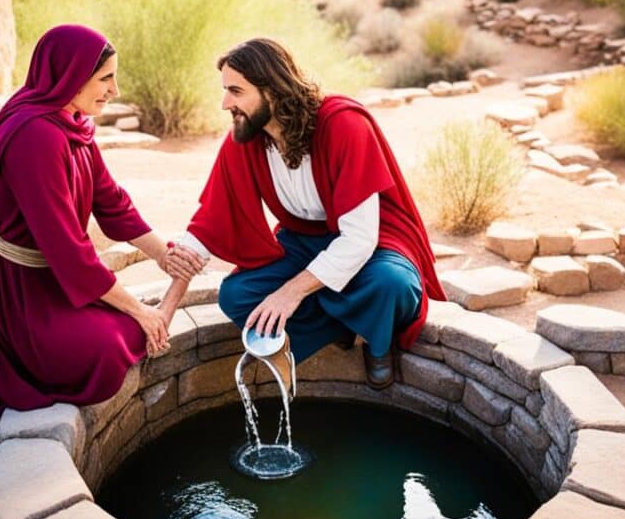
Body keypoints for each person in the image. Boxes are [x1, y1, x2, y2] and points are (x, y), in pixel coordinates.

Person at [0, 24, 205, 430]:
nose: (115, 90)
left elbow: (111, 202)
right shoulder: (36, 137)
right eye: (105, 78)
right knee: (109, 352)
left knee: (129, 332)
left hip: (53, 278)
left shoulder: (73, 122)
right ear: (68, 77)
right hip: (16, 287)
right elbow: (69, 252)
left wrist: (164, 254)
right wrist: (144, 312)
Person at [179, 38, 444, 388]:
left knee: (391, 286)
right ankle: (353, 322)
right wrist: (167, 304)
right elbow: (210, 220)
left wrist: (291, 292)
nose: (225, 103)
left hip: (375, 243)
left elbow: (360, 238)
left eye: (236, 91)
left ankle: (377, 343)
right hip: (302, 243)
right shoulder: (246, 137)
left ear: (271, 90)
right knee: (236, 295)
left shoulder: (344, 125)